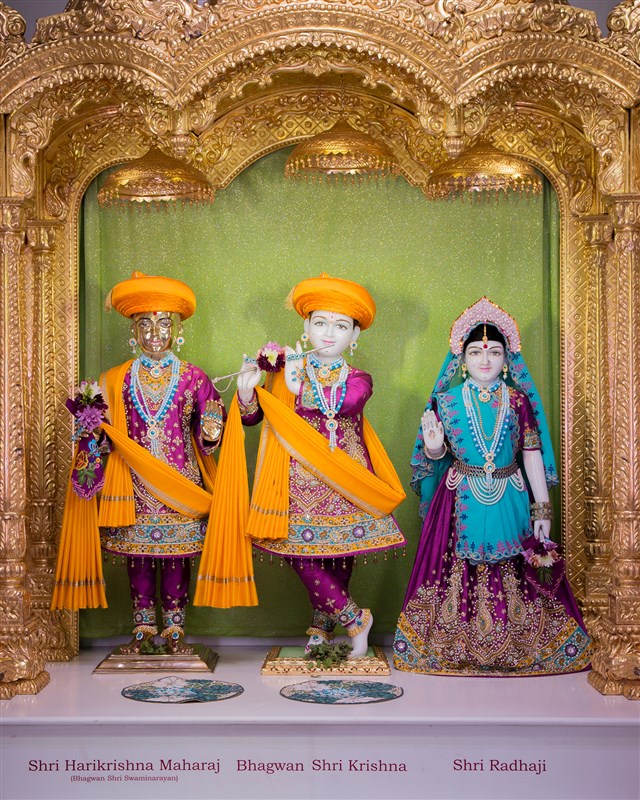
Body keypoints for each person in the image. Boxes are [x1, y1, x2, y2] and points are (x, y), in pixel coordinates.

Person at [394, 297, 591, 675]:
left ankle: (517, 646)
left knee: (515, 564)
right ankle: (453, 644)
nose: (485, 360)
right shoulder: (445, 401)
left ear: (507, 358)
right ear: (462, 359)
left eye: (494, 352)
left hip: (510, 495)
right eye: (476, 352)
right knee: (454, 569)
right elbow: (436, 456)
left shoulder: (518, 402)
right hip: (459, 497)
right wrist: (433, 447)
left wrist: (542, 508)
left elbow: (532, 455)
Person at [52, 272, 226, 653]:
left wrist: (212, 430)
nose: (154, 334)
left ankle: (175, 627)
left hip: (180, 486)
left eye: (163, 324)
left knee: (177, 557)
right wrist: (92, 431)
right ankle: (144, 626)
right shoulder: (117, 379)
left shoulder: (194, 378)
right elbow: (104, 434)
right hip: (132, 487)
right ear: (133, 331)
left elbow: (210, 436)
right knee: (140, 557)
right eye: (145, 325)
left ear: (177, 329)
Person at [237, 273, 405, 658]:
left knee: (338, 553)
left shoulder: (358, 378)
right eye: (320, 323)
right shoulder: (285, 372)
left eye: (341, 326)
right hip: (295, 483)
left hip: (346, 478)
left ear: (355, 336)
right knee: (302, 554)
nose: (329, 333)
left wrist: (300, 387)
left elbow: (347, 403)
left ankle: (322, 626)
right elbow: (254, 418)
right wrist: (247, 393)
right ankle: (354, 618)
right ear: (306, 327)